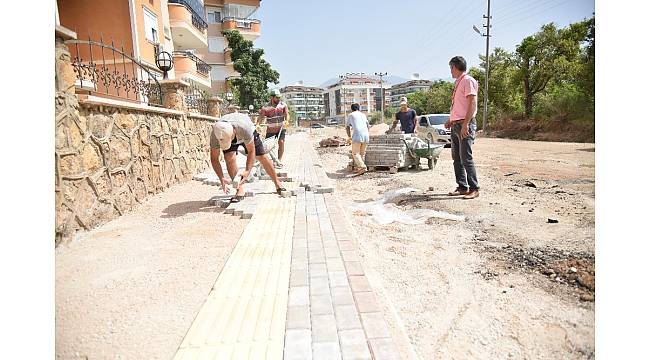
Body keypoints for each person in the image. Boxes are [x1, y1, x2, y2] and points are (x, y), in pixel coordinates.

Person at [210, 112, 286, 201]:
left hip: (247, 132)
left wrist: (247, 171)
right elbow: (214, 159)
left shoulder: (244, 128)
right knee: (229, 157)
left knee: (262, 156)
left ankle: (277, 183)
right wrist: (221, 178)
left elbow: (251, 151)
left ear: (234, 131)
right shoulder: (216, 134)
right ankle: (239, 189)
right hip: (228, 133)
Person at [444, 55, 480, 199]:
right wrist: (450, 120)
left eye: (451, 68)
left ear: (455, 67)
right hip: (456, 124)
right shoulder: (459, 82)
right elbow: (459, 105)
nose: (450, 71)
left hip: (465, 124)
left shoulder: (468, 80)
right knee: (457, 158)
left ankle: (474, 188)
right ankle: (462, 187)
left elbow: (472, 103)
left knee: (466, 158)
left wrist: (465, 124)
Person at [260, 89, 290, 168]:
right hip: (270, 130)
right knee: (270, 146)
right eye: (277, 97)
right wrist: (259, 125)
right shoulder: (265, 108)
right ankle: (274, 161)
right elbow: (261, 118)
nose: (279, 99)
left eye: (279, 97)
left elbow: (286, 114)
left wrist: (286, 121)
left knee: (281, 142)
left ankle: (279, 160)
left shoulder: (283, 105)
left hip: (281, 128)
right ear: (272, 97)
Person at [345, 103, 370, 174]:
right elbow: (368, 126)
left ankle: (362, 167)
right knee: (362, 154)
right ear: (359, 108)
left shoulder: (351, 115)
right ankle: (360, 169)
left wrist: (349, 137)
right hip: (366, 136)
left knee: (355, 153)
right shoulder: (363, 115)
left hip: (357, 135)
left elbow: (347, 127)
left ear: (352, 109)